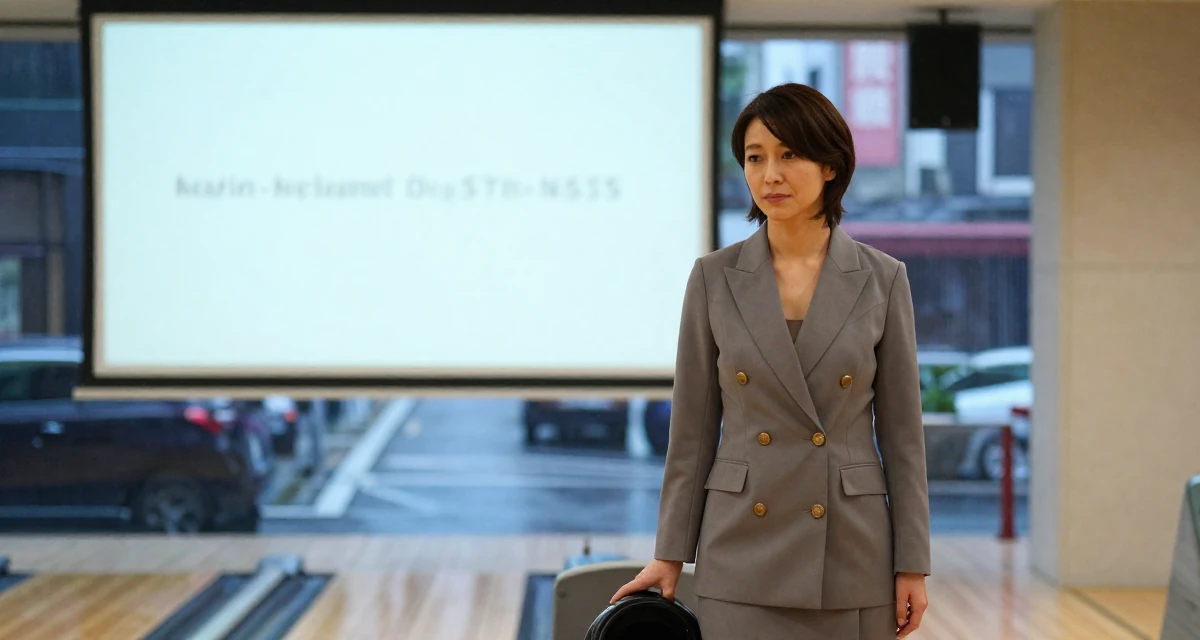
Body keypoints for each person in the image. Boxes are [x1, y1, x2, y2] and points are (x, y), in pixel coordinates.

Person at [610, 83, 931, 639]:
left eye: (789, 155)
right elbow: (691, 434)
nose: (770, 175)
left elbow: (903, 436)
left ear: (831, 165)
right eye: (755, 158)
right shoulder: (713, 277)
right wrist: (668, 554)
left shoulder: (883, 279)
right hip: (740, 548)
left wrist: (913, 564)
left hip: (850, 551)